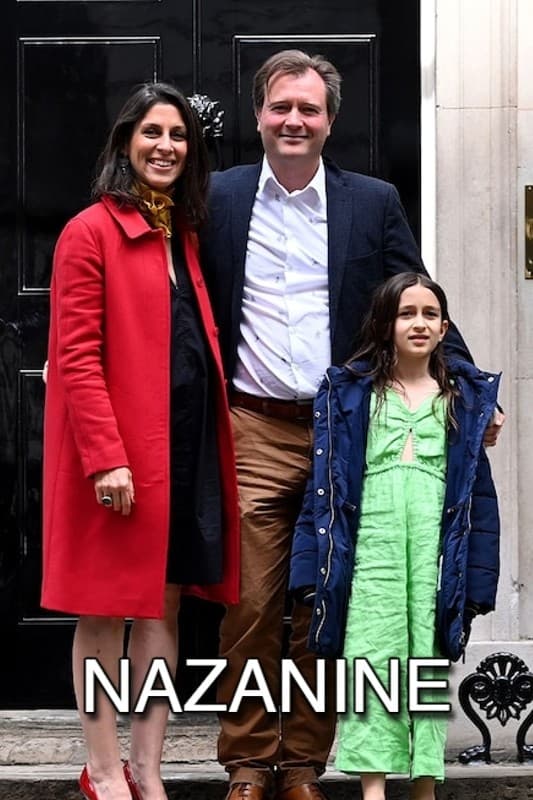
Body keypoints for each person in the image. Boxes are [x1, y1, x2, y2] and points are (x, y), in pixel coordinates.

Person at [201, 49, 503, 800]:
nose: (293, 120)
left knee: (326, 600)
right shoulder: (220, 196)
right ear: (259, 115)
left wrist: (468, 388)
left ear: (329, 121)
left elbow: (416, 296)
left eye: (308, 109)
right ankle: (248, 762)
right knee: (251, 602)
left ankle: (304, 763)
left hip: (346, 433)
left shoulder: (371, 202)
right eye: (280, 107)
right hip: (252, 425)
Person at [41, 82, 240, 800]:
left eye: (178, 135)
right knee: (102, 609)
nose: (165, 146)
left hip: (182, 449)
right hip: (119, 457)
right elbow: (76, 356)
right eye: (152, 132)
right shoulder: (88, 231)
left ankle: (148, 769)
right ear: (125, 142)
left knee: (164, 606)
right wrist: (106, 458)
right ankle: (102, 770)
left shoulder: (183, 234)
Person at [289, 272, 501, 800]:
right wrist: (308, 569)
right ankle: (374, 789)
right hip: (372, 548)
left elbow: (478, 497)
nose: (419, 324)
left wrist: (478, 582)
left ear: (445, 328)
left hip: (434, 549)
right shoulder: (352, 395)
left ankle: (424, 785)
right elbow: (323, 489)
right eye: (407, 314)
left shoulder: (461, 400)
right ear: (386, 324)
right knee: (371, 657)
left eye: (430, 314)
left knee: (427, 661)